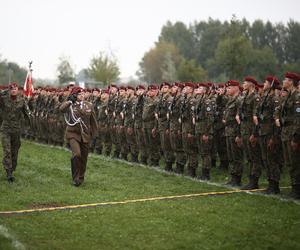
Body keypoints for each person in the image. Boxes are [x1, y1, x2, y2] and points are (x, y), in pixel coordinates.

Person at [60, 87, 97, 186]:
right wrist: (69, 101)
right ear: (75, 95)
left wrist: (94, 135)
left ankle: (81, 177)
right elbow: (61, 109)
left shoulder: (89, 105)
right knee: (77, 154)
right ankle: (75, 178)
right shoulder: (71, 105)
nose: (82, 95)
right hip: (73, 134)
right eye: (80, 94)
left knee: (84, 158)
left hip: (85, 134)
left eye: (83, 93)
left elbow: (93, 122)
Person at [0, 83, 30, 182]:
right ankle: (9, 172)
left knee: (14, 151)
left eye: (15, 88)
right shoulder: (4, 99)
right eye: (11, 89)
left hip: (16, 130)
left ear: (17, 90)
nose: (13, 90)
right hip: (6, 129)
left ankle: (12, 168)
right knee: (7, 151)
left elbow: (26, 114)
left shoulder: (21, 100)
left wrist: (28, 127)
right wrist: (3, 91)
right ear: (9, 90)